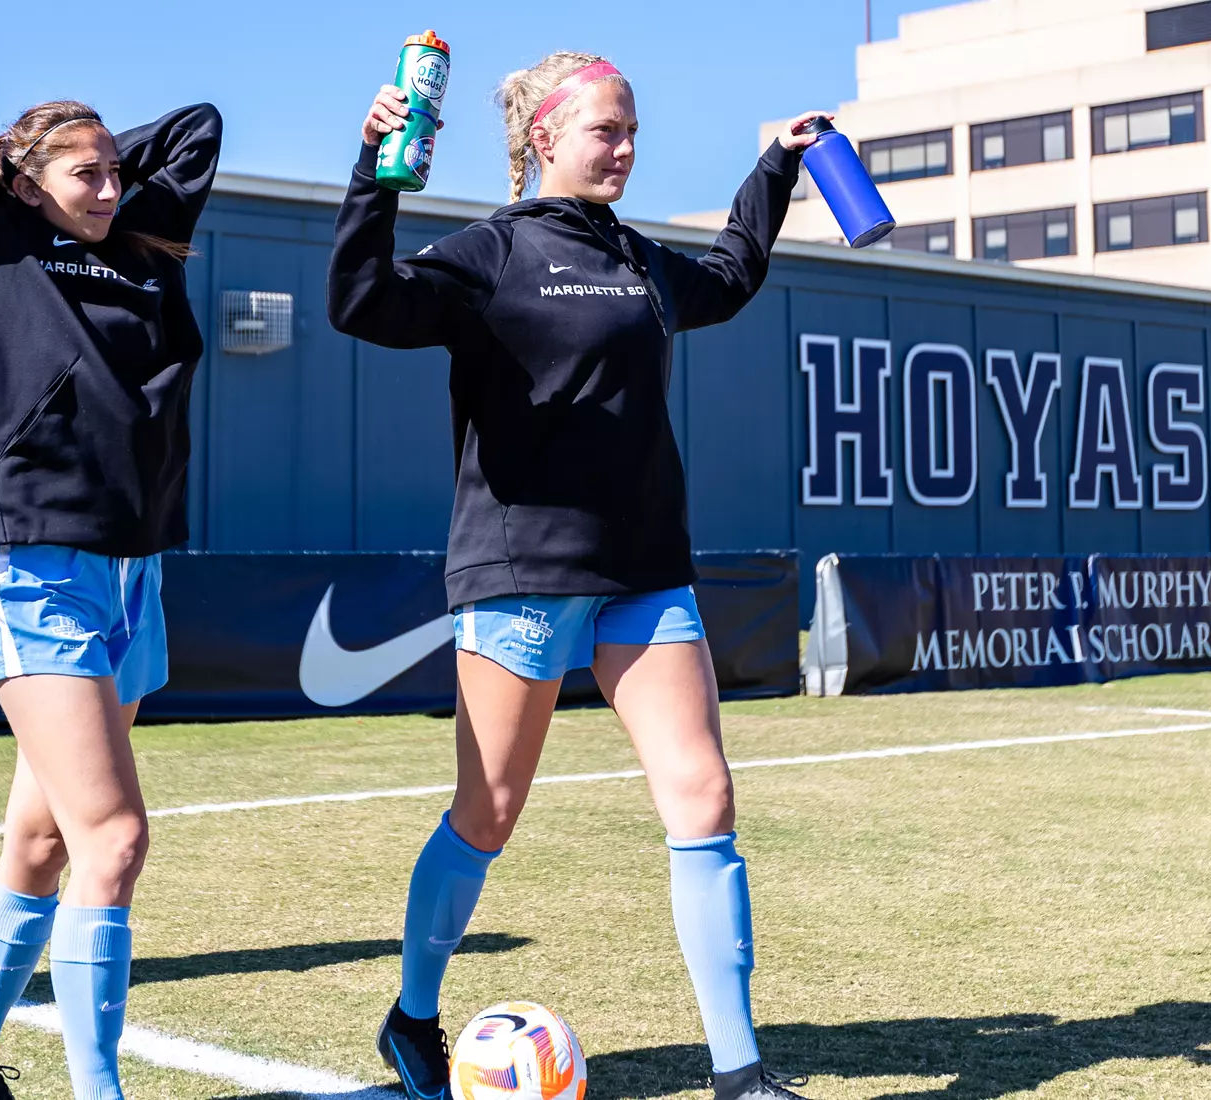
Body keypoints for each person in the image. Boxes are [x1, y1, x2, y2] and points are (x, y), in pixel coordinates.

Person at [329, 50, 828, 1100]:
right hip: (520, 571)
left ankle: (738, 1067)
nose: (627, 147)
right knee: (488, 811)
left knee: (702, 796)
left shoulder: (641, 261)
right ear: (542, 137)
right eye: (607, 128)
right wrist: (374, 167)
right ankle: (411, 1016)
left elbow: (731, 276)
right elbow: (361, 301)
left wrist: (771, 170)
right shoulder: (489, 253)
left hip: (645, 568)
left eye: (632, 128)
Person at [0, 80, 221, 1100]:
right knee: (113, 836)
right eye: (89, 173)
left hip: (132, 570)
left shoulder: (132, 237)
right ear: (26, 182)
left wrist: (86, 159)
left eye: (119, 170)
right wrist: (25, 163)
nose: (114, 186)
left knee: (43, 840)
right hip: (31, 562)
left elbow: (199, 123)